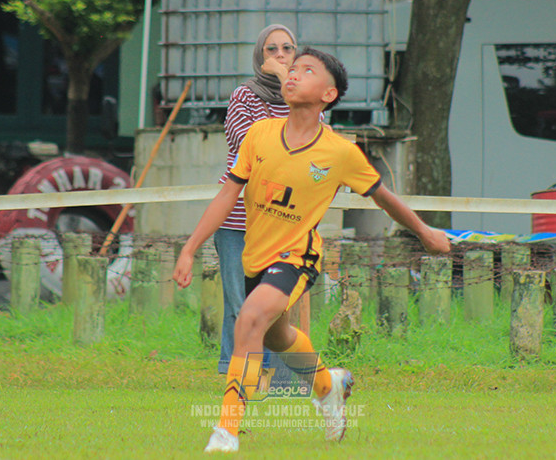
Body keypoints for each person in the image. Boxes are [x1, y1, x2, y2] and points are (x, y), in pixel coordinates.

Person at [173, 47, 451, 453]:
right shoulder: (259, 135)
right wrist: (190, 248)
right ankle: (328, 385)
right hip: (255, 257)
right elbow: (226, 196)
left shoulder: (339, 152)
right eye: (292, 68)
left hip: (297, 257)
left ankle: (225, 430)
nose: (293, 74)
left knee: (248, 319)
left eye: (307, 70)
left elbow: (384, 197)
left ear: (329, 94)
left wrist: (425, 232)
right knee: (276, 335)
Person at [213, 24, 297, 374]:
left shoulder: (307, 99)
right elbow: (252, 150)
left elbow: (310, 149)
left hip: (282, 221)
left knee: (274, 305)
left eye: (288, 49)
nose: (280, 55)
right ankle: (239, 374)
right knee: (239, 304)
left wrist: (292, 89)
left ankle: (275, 377)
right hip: (237, 221)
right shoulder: (243, 96)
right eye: (271, 49)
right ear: (259, 57)